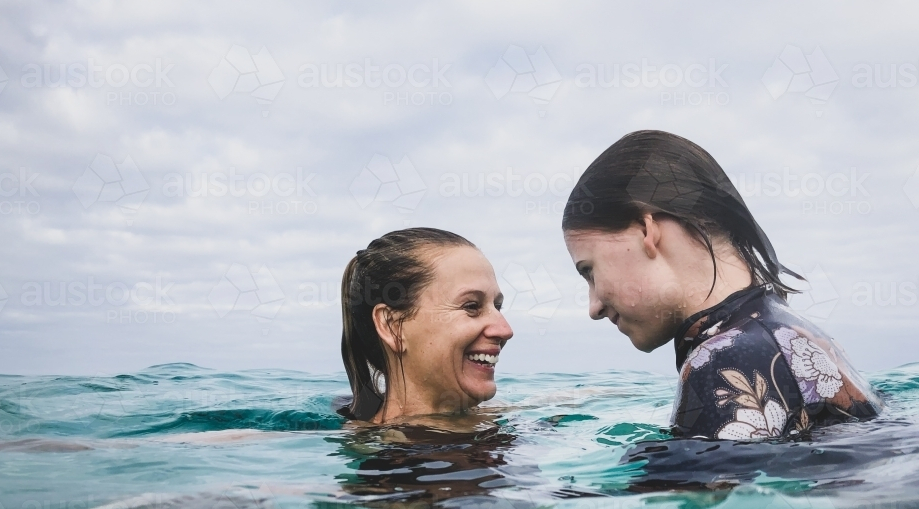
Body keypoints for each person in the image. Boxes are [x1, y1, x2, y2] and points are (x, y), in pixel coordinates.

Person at [562, 130, 882, 441]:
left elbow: (700, 493)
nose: (594, 307)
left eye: (589, 271)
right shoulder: (790, 333)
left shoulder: (722, 363)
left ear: (648, 231)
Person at [339, 227, 514, 424]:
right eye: (471, 306)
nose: (505, 330)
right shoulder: (382, 450)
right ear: (392, 326)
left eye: (497, 306)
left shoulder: (499, 416)